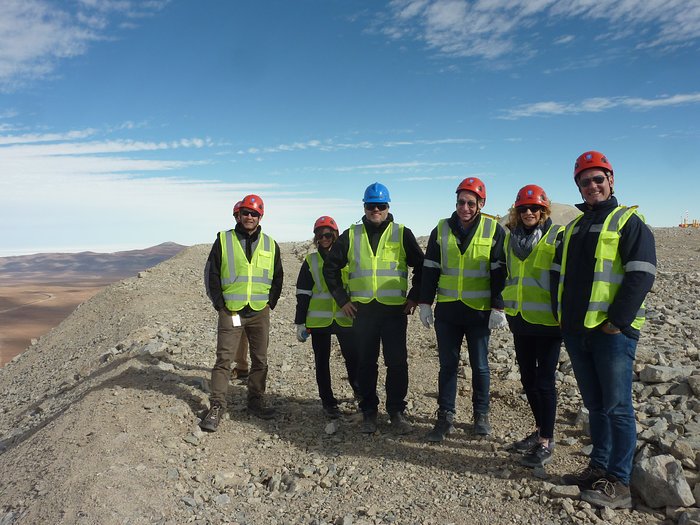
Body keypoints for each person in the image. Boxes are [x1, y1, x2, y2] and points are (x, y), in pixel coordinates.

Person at [555, 151, 656, 509]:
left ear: (611, 180)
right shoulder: (574, 228)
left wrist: (618, 321)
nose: (592, 185)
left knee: (617, 407)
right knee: (595, 406)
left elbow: (642, 273)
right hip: (578, 331)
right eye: (585, 181)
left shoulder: (628, 222)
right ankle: (598, 468)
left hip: (611, 333)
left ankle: (620, 481)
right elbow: (562, 276)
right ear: (578, 187)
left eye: (598, 179)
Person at [323, 182, 424, 434]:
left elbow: (422, 267)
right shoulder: (351, 234)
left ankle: (396, 412)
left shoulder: (402, 233)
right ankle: (369, 412)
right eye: (371, 206)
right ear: (364, 207)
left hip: (394, 312)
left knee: (397, 363)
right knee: (366, 363)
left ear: (388, 207)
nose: (375, 210)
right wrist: (342, 300)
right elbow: (330, 268)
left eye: (380, 205)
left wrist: (414, 297)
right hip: (363, 312)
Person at [418, 177, 506, 441]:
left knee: (480, 367)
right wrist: (425, 302)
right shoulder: (441, 229)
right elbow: (430, 268)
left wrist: (497, 306)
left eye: (470, 202)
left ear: (481, 204)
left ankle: (481, 416)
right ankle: (445, 417)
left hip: (478, 312)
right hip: (448, 311)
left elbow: (499, 272)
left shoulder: (494, 230)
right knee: (447, 366)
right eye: (460, 202)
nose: (464, 207)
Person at [201, 194, 284, 431]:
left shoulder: (270, 243)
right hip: (232, 310)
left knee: (260, 359)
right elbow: (212, 274)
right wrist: (219, 303)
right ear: (239, 214)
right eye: (246, 212)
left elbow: (278, 276)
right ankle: (217, 405)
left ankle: (255, 400)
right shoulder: (224, 240)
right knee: (224, 360)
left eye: (254, 213)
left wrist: (271, 302)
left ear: (261, 217)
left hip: (259, 311)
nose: (249, 217)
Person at [502, 185, 563, 467]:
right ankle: (539, 430)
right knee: (527, 377)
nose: (528, 213)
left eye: (534, 208)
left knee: (545, 380)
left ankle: (546, 441)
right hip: (521, 319)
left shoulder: (556, 236)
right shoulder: (510, 240)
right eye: (523, 208)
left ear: (543, 211)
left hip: (549, 322)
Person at [295, 215, 360, 418]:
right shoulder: (311, 261)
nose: (323, 238)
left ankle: (360, 393)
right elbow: (303, 292)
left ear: (336, 235)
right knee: (321, 362)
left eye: (327, 234)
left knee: (353, 359)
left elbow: (358, 287)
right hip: (319, 320)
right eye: (319, 235)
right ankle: (328, 402)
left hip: (345, 317)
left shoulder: (348, 258)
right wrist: (300, 322)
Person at [230, 199, 250, 381]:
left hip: (255, 303)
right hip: (235, 303)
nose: (240, 218)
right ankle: (242, 366)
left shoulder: (254, 240)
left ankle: (245, 367)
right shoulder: (230, 242)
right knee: (238, 334)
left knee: (252, 336)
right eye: (238, 215)